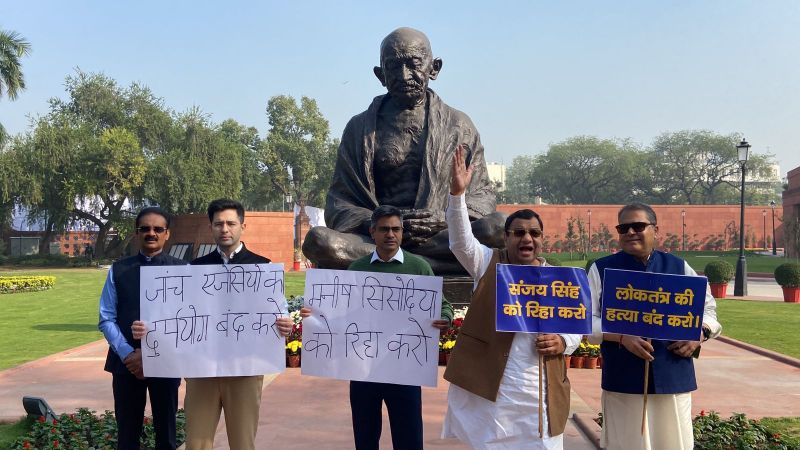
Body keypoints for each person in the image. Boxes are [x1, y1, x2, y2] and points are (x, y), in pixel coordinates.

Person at [302, 27, 504, 274]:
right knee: (319, 241)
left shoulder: (459, 125)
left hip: (439, 236)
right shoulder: (359, 128)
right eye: (393, 67)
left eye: (414, 64)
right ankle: (422, 266)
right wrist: (383, 224)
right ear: (380, 75)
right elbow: (340, 203)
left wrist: (446, 218)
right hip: (377, 239)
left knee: (499, 227)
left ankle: (400, 264)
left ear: (434, 67)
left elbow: (483, 195)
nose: (404, 75)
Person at [441, 147, 580, 449]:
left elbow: (576, 327)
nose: (526, 239)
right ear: (506, 238)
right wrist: (456, 195)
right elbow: (461, 240)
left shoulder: (561, 280)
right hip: (496, 391)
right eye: (518, 233)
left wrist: (563, 342)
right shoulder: (488, 263)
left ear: (542, 239)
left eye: (533, 233)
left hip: (540, 387)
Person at [134, 199, 292, 450]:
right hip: (202, 370)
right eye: (219, 224)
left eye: (231, 223)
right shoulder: (195, 268)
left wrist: (284, 324)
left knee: (243, 442)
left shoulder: (263, 267)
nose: (225, 229)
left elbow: (278, 311)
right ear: (211, 227)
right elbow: (177, 315)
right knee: (197, 443)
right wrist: (149, 329)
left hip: (245, 370)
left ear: (243, 226)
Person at [301, 205, 453, 450]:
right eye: (384, 229)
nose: (390, 234)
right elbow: (341, 312)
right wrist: (315, 316)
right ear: (373, 232)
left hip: (405, 369)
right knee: (365, 434)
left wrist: (444, 318)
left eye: (395, 229)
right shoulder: (357, 269)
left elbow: (443, 305)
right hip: (364, 368)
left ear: (402, 232)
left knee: (409, 436)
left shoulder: (419, 267)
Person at [586, 202, 722, 450]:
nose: (630, 233)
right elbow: (586, 319)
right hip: (623, 378)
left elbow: (708, 310)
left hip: (672, 375)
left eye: (637, 226)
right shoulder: (602, 269)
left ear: (655, 229)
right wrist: (621, 337)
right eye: (623, 228)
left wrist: (698, 334)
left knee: (673, 443)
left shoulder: (679, 268)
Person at [98, 206, 186, 450]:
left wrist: (152, 355)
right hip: (126, 363)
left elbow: (188, 319)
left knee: (166, 433)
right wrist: (129, 354)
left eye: (158, 229)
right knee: (127, 433)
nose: (151, 233)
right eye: (145, 228)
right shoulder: (119, 269)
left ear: (167, 233)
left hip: (166, 362)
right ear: (136, 233)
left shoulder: (184, 271)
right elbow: (106, 318)